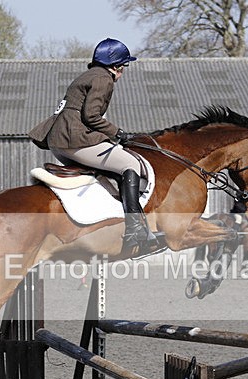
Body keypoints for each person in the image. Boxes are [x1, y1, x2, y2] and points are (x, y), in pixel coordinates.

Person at [28, 38, 158, 255]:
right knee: (130, 164)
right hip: (74, 140)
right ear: (116, 66)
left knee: (109, 169)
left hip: (59, 141)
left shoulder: (87, 76)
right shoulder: (103, 79)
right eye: (124, 67)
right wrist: (118, 133)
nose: (123, 72)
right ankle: (135, 228)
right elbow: (91, 116)